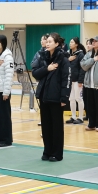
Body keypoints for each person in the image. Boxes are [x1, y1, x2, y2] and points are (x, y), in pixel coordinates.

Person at [33, 33, 70, 162]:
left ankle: (57, 153)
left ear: (57, 44)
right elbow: (35, 73)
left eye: (50, 41)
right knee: (46, 126)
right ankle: (47, 151)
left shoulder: (63, 59)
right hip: (44, 96)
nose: (47, 44)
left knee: (56, 127)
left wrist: (64, 97)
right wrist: (47, 68)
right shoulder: (42, 56)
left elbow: (66, 79)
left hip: (56, 97)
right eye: (46, 41)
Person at [80, 36, 98, 132]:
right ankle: (91, 124)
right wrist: (93, 59)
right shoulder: (89, 54)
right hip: (88, 85)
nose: (93, 42)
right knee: (90, 106)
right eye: (92, 41)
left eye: (96, 41)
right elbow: (83, 65)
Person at [67, 38, 85, 125]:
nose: (70, 43)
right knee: (71, 99)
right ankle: (73, 116)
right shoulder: (68, 54)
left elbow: (82, 68)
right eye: (70, 42)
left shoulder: (80, 54)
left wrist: (80, 80)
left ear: (76, 44)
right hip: (70, 80)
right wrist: (68, 59)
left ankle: (80, 117)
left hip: (78, 81)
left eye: (72, 42)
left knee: (79, 98)